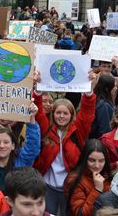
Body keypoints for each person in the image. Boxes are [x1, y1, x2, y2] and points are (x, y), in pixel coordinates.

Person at [34, 71, 97, 216]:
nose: (61, 116)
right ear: (53, 114)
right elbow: (38, 113)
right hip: (46, 186)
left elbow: (87, 114)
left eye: (65, 113)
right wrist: (37, 91)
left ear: (72, 115)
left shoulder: (78, 131)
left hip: (70, 187)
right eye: (58, 113)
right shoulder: (47, 129)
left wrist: (88, 92)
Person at [65, 139, 112, 216]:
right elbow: (80, 213)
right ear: (85, 159)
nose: (97, 166)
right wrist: (97, 190)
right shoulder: (75, 179)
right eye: (92, 160)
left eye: (101, 161)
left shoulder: (107, 176)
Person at [90, 74, 117, 139]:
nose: (116, 88)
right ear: (107, 89)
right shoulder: (103, 106)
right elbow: (105, 129)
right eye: (114, 86)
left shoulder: (103, 101)